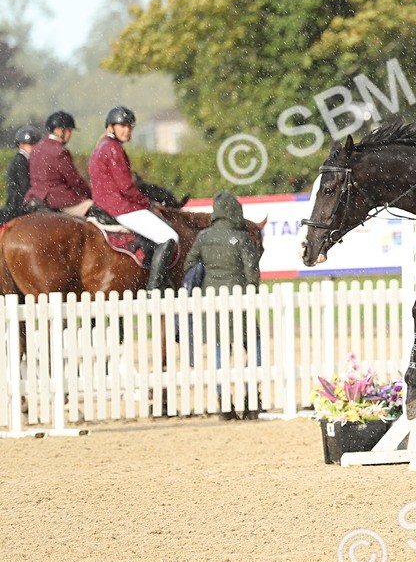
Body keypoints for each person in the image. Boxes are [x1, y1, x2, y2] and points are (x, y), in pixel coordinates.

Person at [183, 190, 262, 417]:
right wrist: (250, 291)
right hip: (240, 302)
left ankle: (222, 399)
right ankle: (250, 397)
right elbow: (252, 272)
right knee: (254, 348)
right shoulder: (242, 238)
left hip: (212, 302)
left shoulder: (203, 237)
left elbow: (190, 263)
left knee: (219, 351)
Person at [87, 106, 179, 291]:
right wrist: (149, 204)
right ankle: (154, 288)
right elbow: (127, 188)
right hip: (120, 207)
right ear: (111, 127)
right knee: (170, 237)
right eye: (122, 126)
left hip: (105, 204)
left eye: (129, 126)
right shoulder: (113, 149)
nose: (127, 130)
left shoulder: (101, 147)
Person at [25, 111, 93, 217]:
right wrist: (90, 194)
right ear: (59, 130)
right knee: (96, 211)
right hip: (58, 199)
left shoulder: (36, 148)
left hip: (34, 197)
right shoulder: (60, 151)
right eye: (69, 130)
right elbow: (74, 180)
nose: (71, 134)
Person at [0, 125, 39, 223]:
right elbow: (25, 186)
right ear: (20, 145)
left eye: (34, 144)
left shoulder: (23, 160)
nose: (33, 147)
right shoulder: (21, 162)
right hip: (18, 205)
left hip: (17, 203)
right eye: (29, 144)